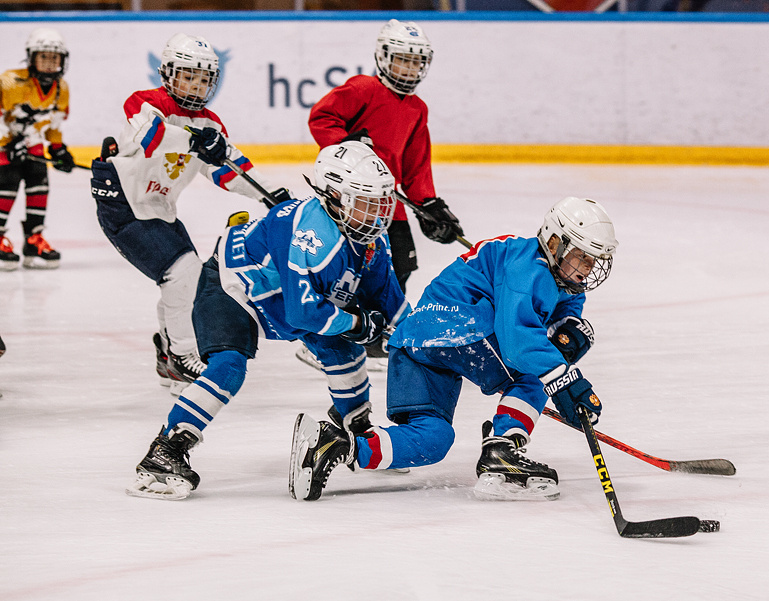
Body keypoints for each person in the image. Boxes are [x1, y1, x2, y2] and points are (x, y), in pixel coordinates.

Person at [126, 140, 411, 501]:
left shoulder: (369, 241)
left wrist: (424, 339)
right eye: (366, 203)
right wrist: (357, 325)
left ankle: (354, 428)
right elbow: (304, 313)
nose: (377, 215)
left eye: (380, 203)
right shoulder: (310, 237)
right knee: (228, 366)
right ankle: (166, 450)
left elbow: (393, 307)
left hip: (286, 294)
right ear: (334, 197)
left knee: (344, 351)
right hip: (234, 287)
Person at [291, 197, 618, 502]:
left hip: (414, 341)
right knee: (537, 370)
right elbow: (519, 343)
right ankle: (503, 449)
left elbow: (562, 314)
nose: (587, 268)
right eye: (581, 256)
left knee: (432, 438)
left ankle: (335, 445)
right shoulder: (528, 266)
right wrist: (566, 380)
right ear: (554, 243)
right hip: (460, 328)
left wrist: (569, 332)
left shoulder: (565, 281)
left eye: (593, 260)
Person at [90, 33, 290, 394]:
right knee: (182, 274)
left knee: (189, 280)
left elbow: (228, 170)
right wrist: (195, 141)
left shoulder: (211, 124)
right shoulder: (145, 102)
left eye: (203, 79)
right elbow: (151, 137)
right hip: (123, 204)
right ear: (168, 74)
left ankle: (168, 355)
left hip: (158, 208)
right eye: (188, 76)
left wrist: (270, 194)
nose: (196, 86)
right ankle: (183, 356)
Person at [308, 19, 464, 292]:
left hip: (390, 202)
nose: (410, 68)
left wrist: (429, 204)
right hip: (351, 199)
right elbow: (322, 117)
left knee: (401, 267)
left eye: (416, 62)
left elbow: (416, 166)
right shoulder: (363, 89)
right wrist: (347, 147)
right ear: (384, 57)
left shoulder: (417, 109)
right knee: (347, 267)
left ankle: (388, 318)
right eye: (403, 60)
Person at [0, 28, 73, 270]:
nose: (50, 62)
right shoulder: (10, 81)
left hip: (32, 143)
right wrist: (8, 143)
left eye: (55, 57)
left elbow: (54, 124)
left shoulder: (62, 88)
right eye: (44, 56)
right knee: (6, 183)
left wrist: (58, 149)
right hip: (4, 143)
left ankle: (34, 239)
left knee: (39, 184)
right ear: (31, 57)